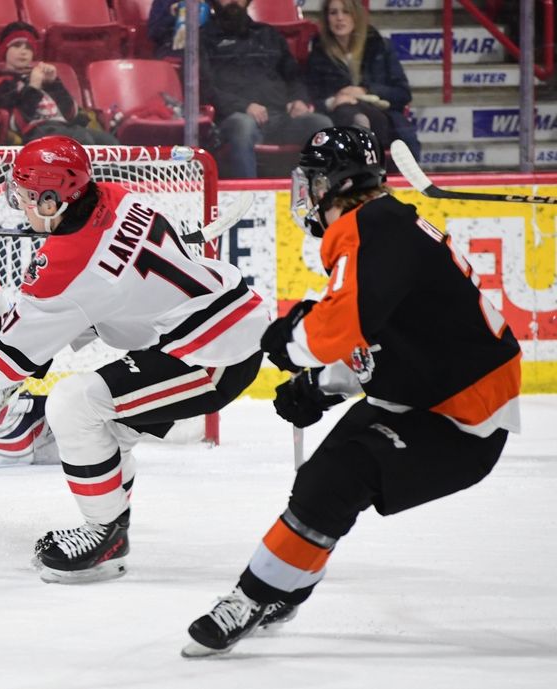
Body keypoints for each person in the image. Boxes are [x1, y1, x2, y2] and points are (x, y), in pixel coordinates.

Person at [182, 126, 521, 657]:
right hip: (427, 398)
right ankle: (285, 587)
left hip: (461, 422)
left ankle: (252, 597)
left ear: (335, 183)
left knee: (334, 479)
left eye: (312, 180)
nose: (306, 193)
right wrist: (324, 384)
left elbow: (340, 326)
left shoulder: (369, 229)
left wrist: (292, 346)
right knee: (319, 489)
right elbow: (388, 335)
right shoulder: (385, 226)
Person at [0, 135, 270, 583]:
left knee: (74, 403)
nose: (18, 205)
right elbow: (120, 301)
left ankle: (104, 535)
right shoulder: (119, 196)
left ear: (49, 200)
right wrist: (50, 335)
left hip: (212, 353)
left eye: (23, 196)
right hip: (226, 315)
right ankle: (110, 527)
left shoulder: (66, 266)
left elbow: (10, 356)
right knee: (107, 422)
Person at [200, 0, 332, 179]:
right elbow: (202, 87)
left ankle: (316, 198)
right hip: (230, 120)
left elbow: (293, 76)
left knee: (321, 125)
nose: (233, 1)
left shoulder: (269, 35)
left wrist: (299, 99)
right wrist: (243, 106)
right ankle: (248, 200)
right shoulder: (202, 38)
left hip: (278, 119)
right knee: (242, 125)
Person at [305, 0, 421, 159]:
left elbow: (402, 93)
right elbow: (309, 98)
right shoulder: (318, 54)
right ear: (326, 19)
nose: (340, 18)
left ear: (356, 16)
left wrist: (365, 91)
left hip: (381, 117)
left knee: (364, 119)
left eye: (346, 12)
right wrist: (333, 101)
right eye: (333, 13)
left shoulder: (380, 47)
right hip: (338, 118)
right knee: (346, 113)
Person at [0, 21, 118, 145]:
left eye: (28, 48)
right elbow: (15, 123)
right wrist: (33, 87)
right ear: (4, 50)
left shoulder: (42, 76)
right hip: (35, 132)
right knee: (82, 140)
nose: (23, 52)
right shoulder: (2, 83)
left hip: (65, 127)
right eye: (17, 46)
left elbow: (71, 114)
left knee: (108, 141)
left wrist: (54, 83)